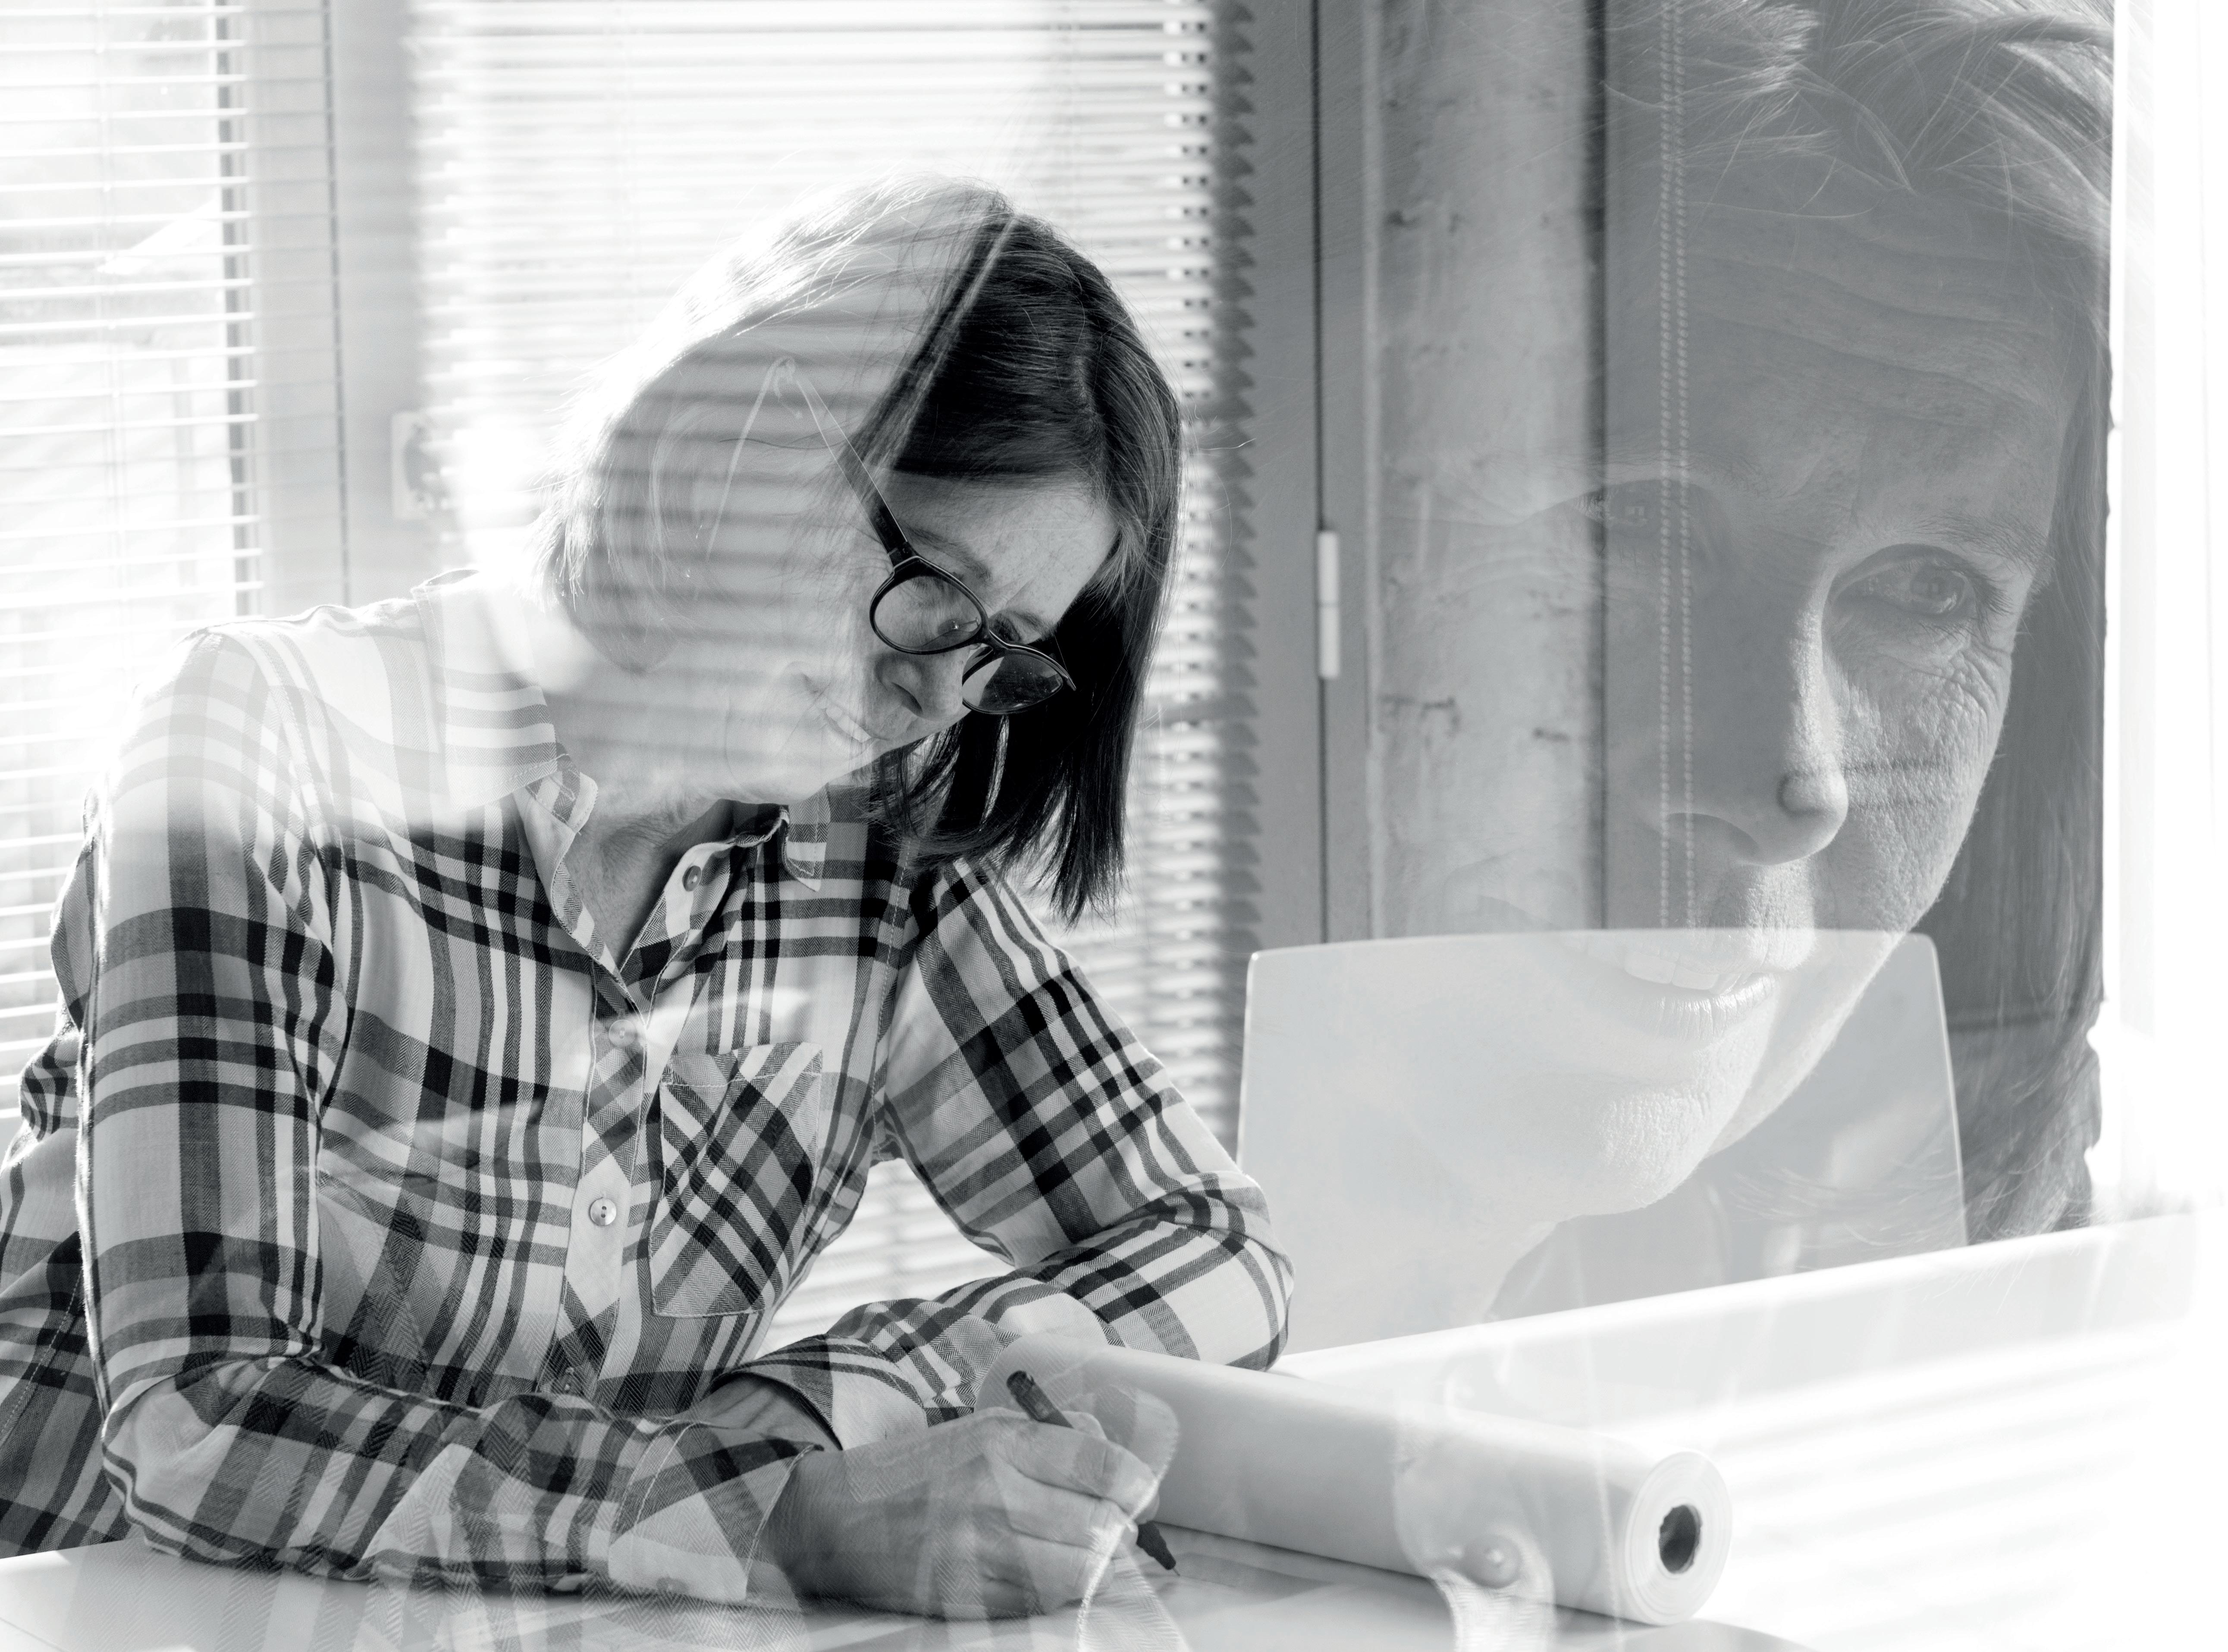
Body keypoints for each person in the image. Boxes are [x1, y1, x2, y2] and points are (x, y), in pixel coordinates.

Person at [0, 178, 1290, 1618]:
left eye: (1003, 649)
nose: (935, 693)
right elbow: (204, 1425)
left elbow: (1218, 1251)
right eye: (936, 586)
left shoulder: (879, 864)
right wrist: (770, 1508)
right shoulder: (262, 741)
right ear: (729, 447)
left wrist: (824, 1411)